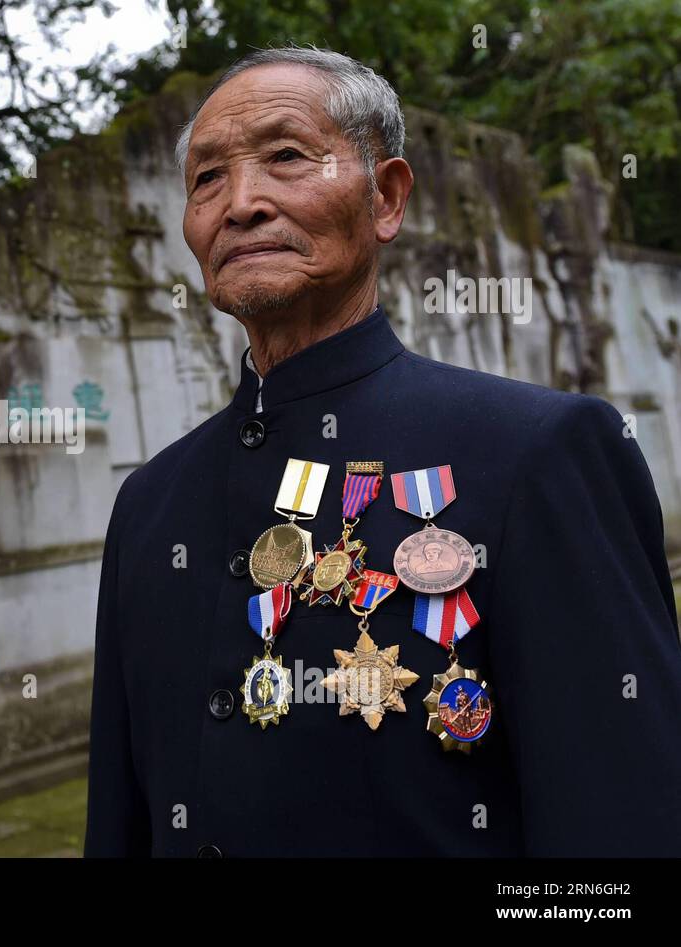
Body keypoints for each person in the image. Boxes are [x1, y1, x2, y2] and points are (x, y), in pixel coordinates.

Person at [84, 46, 681, 857]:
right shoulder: (151, 504)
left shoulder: (537, 452)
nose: (241, 203)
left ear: (387, 197)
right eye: (206, 179)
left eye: (286, 156)